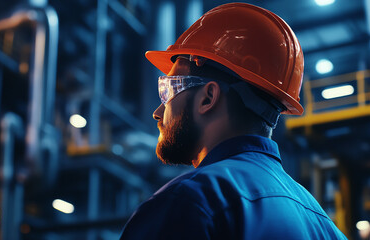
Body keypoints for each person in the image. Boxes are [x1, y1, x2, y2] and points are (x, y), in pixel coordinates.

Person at [120, 3, 347, 239]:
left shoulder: (188, 203)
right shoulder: (325, 226)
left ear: (208, 97)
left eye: (167, 92)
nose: (158, 111)